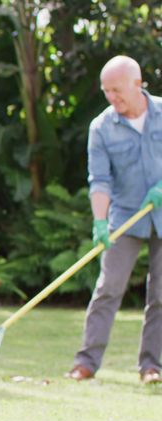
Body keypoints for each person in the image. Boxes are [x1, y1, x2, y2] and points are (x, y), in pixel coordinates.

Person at [66, 55, 162, 384]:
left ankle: (152, 366)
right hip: (125, 216)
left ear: (138, 84)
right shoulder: (101, 127)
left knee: (161, 294)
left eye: (117, 90)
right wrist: (99, 222)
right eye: (106, 91)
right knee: (108, 288)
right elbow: (100, 180)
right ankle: (86, 363)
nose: (112, 98)